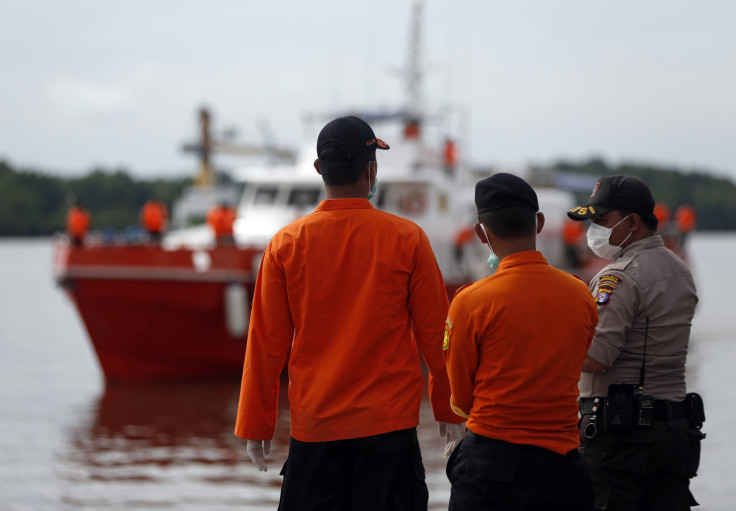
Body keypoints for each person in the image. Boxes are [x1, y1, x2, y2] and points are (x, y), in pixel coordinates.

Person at [234, 116, 464, 511]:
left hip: (315, 435)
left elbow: (266, 343)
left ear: (319, 169)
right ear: (371, 169)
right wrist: (449, 407)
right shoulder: (407, 239)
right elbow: (437, 334)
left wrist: (256, 424)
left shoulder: (285, 245)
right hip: (389, 435)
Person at [444, 173, 598, 511]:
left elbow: (461, 395)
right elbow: (576, 363)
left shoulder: (470, 302)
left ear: (480, 234)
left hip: (489, 469)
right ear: (539, 223)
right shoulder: (580, 294)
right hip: (563, 469)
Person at [568, 175, 704, 511]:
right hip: (675, 429)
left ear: (632, 222)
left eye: (601, 221)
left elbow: (597, 357)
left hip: (622, 438)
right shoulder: (679, 270)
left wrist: (550, 339)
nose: (593, 230)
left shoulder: (618, 276)